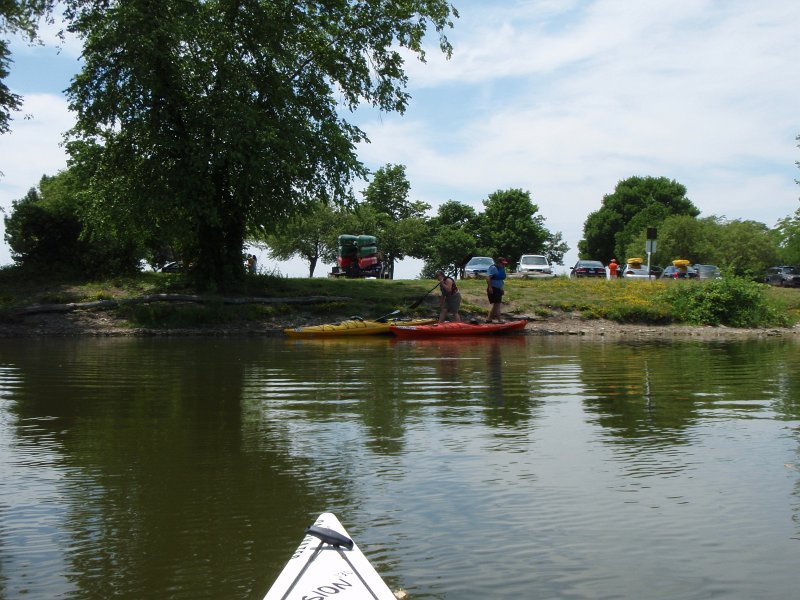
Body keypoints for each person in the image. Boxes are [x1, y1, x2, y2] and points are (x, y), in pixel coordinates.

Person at [484, 257, 508, 323]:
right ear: (498, 263)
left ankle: (488, 319)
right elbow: (488, 278)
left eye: (504, 264)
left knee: (496, 305)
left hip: (499, 289)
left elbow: (500, 281)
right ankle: (499, 320)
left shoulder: (501, 268)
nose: (504, 265)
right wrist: (490, 287)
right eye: (502, 264)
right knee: (497, 305)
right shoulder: (493, 268)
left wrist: (501, 289)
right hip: (493, 288)